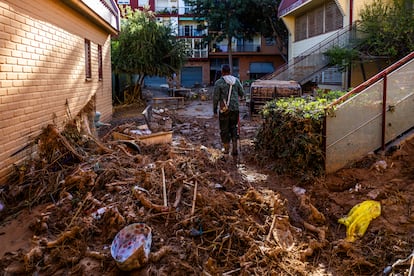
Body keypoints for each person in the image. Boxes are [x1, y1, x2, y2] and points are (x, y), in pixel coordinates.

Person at [213, 64, 244, 155]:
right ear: (230, 72)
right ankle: (235, 149)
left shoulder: (219, 83)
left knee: (224, 129)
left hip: (224, 110)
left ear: (222, 72)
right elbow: (242, 93)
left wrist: (214, 110)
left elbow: (215, 98)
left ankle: (226, 149)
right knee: (234, 127)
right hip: (235, 109)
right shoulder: (236, 81)